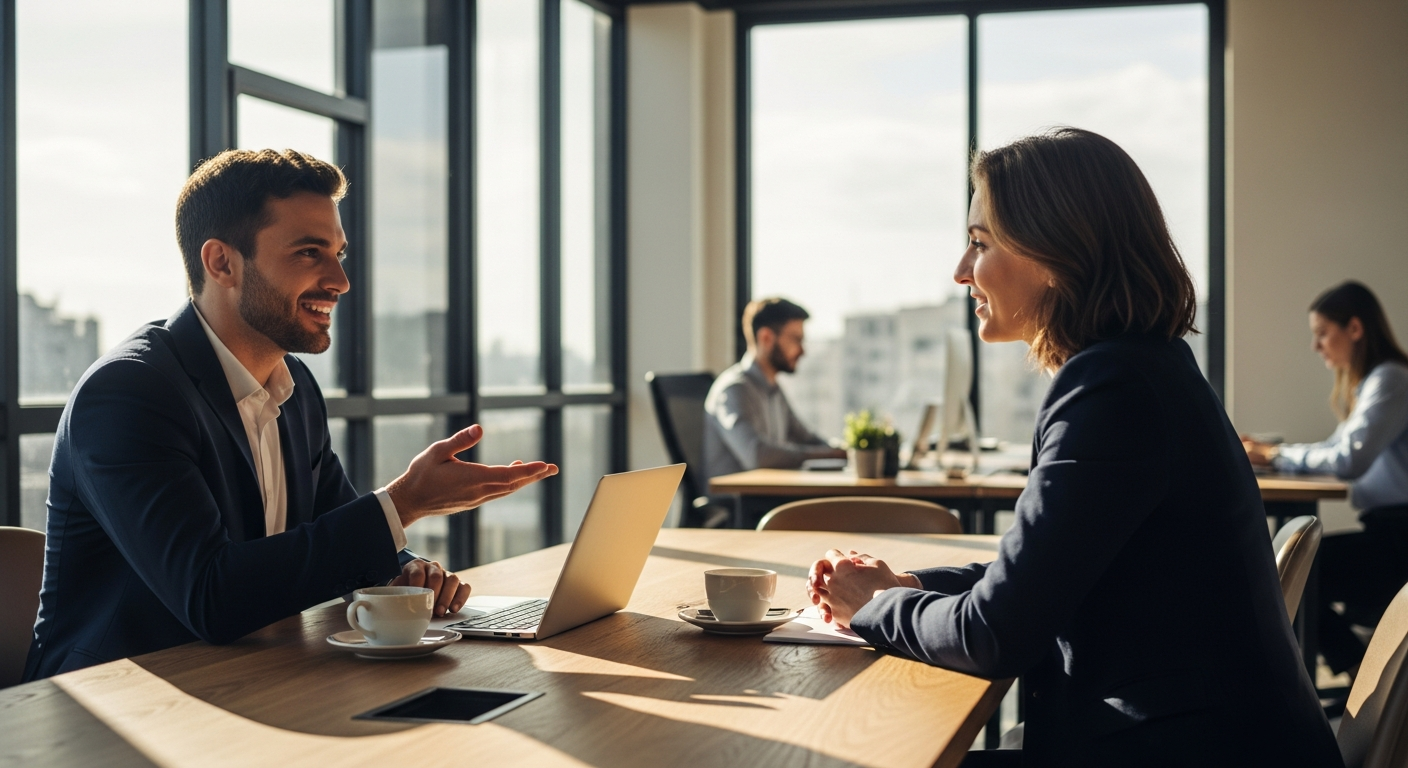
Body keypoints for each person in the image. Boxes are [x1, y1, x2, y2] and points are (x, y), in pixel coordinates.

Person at [804, 129, 1341, 766]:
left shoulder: (1113, 388)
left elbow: (996, 633)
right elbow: (1037, 579)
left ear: (1056, 251)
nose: (960, 271)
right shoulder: (1145, 368)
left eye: (979, 243)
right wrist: (906, 585)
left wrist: (876, 605)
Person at [23, 150, 557, 681]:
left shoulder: (293, 387)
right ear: (222, 263)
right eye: (309, 253)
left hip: (251, 680)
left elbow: (333, 528)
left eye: (339, 254)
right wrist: (404, 503)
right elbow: (212, 596)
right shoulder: (129, 394)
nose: (340, 281)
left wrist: (403, 571)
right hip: (110, 705)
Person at [1244, 281, 1408, 677]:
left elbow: (1347, 458)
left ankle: (1362, 675)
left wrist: (1276, 455)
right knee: (1282, 571)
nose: (1317, 347)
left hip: (1399, 540)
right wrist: (1275, 457)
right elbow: (1338, 451)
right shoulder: (1374, 384)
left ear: (1354, 329)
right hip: (1389, 532)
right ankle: (1359, 672)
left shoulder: (1390, 380)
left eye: (1322, 333)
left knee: (1282, 574)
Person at [703, 298, 845, 513]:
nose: (803, 351)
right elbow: (756, 455)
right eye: (796, 340)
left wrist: (842, 450)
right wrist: (825, 455)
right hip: (740, 510)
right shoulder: (733, 390)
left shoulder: (774, 390)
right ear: (767, 338)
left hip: (766, 502)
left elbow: (805, 437)